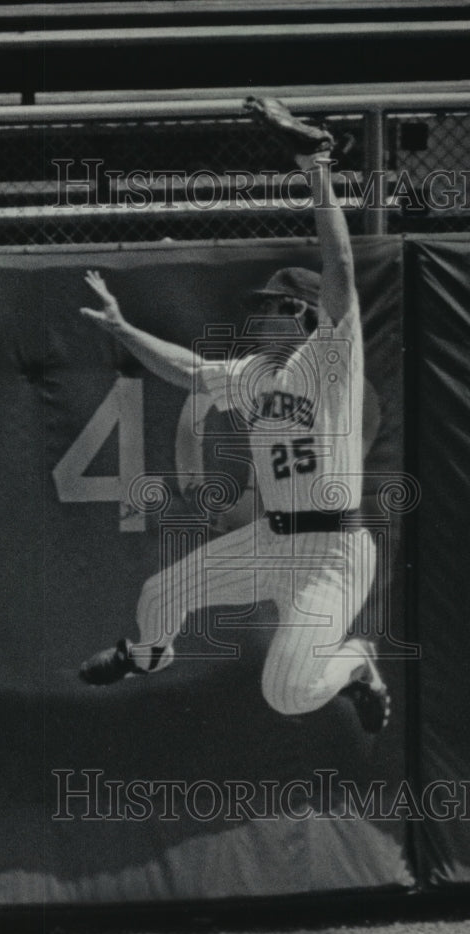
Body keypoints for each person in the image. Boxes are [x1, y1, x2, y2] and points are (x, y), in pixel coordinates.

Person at [77, 100, 390, 733]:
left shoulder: (330, 355)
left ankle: (357, 661)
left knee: (286, 692)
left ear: (302, 317)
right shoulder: (251, 376)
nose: (263, 315)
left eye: (275, 307)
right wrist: (123, 327)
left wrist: (316, 169)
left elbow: (341, 268)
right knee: (157, 596)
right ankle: (150, 655)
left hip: (333, 550)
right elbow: (186, 370)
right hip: (274, 537)